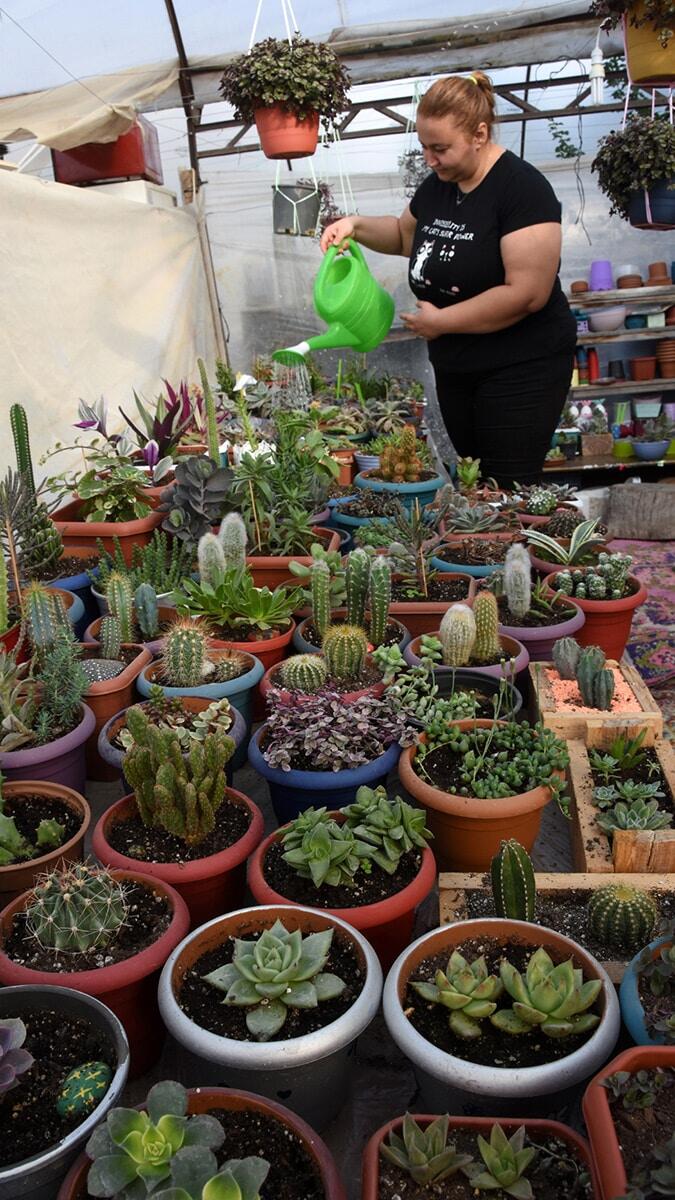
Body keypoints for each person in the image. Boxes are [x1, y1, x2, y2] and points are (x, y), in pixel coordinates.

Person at [320, 71, 576, 487]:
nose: (430, 159)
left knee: (507, 486)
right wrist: (354, 225)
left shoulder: (522, 190)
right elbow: (403, 236)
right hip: (457, 364)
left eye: (440, 148)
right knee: (475, 481)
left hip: (520, 365)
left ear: (479, 134)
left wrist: (442, 321)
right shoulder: (439, 186)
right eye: (424, 147)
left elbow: (528, 293)